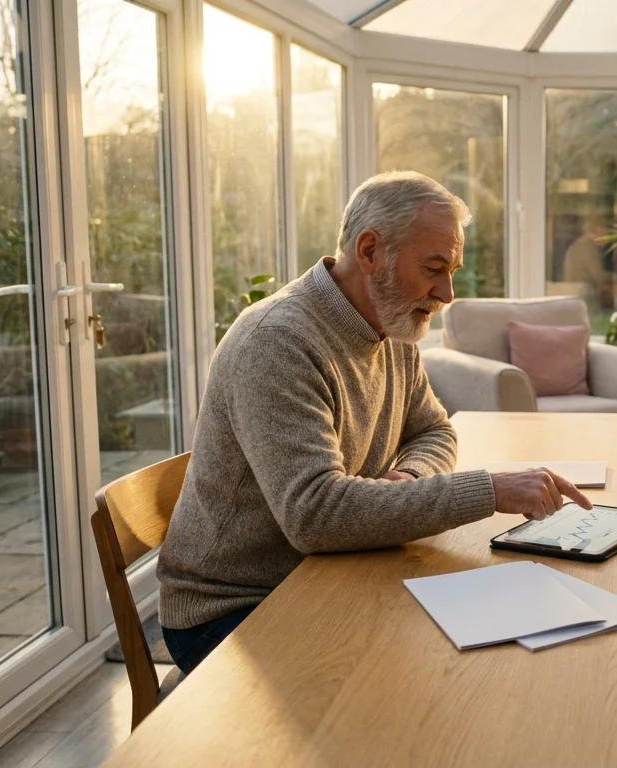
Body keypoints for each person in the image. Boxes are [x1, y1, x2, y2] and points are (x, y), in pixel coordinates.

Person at [158, 171, 591, 673]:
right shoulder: (277, 343)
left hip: (332, 570)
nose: (447, 293)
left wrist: (408, 477)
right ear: (369, 252)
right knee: (428, 678)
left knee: (478, 660)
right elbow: (315, 515)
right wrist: (490, 491)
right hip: (235, 607)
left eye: (452, 270)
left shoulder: (392, 324)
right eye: (434, 267)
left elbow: (434, 429)